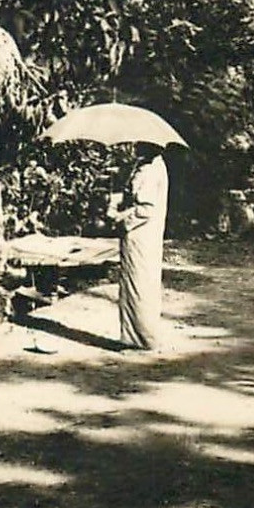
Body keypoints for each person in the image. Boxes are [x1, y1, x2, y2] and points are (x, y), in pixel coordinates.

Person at [109, 142, 170, 351]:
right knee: (138, 284)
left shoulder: (151, 170)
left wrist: (120, 216)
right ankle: (136, 337)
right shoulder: (148, 166)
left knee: (139, 284)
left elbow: (145, 209)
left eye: (139, 144)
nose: (135, 147)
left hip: (141, 235)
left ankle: (141, 339)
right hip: (142, 235)